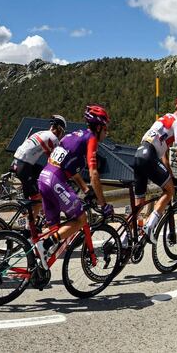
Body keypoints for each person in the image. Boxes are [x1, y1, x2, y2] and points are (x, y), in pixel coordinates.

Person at [35, 105, 114, 268]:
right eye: (106, 128)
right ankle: (43, 245)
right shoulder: (91, 139)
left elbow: (67, 167)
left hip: (44, 178)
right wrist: (103, 204)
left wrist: (87, 190)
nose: (107, 132)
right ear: (98, 127)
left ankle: (37, 267)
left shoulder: (73, 135)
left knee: (55, 230)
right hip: (55, 181)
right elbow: (94, 174)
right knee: (81, 219)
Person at [133, 98, 177, 242]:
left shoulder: (165, 119)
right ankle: (149, 226)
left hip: (138, 154)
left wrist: (170, 176)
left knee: (138, 206)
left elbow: (165, 158)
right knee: (169, 191)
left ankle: (124, 240)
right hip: (149, 156)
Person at [11, 115, 67, 219]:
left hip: (19, 163)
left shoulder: (42, 133)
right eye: (62, 132)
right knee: (37, 201)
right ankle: (29, 228)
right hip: (24, 166)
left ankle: (33, 219)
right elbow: (55, 160)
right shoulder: (53, 138)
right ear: (59, 129)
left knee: (43, 175)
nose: (62, 135)